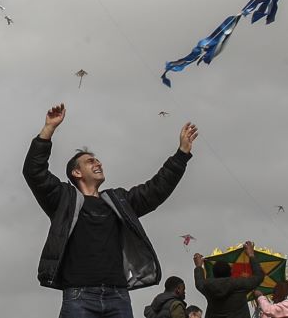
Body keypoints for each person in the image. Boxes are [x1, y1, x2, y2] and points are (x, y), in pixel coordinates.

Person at [23, 103, 198, 318]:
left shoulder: (119, 202)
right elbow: (34, 172)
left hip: (118, 297)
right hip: (79, 297)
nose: (98, 163)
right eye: (90, 161)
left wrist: (181, 155)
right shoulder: (63, 200)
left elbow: (156, 190)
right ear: (76, 172)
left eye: (97, 159)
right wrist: (49, 128)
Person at [193, 242, 264, 318]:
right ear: (230, 272)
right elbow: (259, 276)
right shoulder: (240, 284)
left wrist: (198, 266)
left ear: (214, 274)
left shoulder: (208, 286)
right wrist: (251, 255)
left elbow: (199, 282)